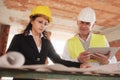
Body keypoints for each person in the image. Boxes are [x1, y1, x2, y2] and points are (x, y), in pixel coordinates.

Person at [7, 6, 82, 68]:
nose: (42, 26)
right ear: (32, 21)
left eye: (45, 24)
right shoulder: (19, 38)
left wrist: (80, 65)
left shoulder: (46, 42)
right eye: (40, 22)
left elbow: (58, 61)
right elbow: (9, 58)